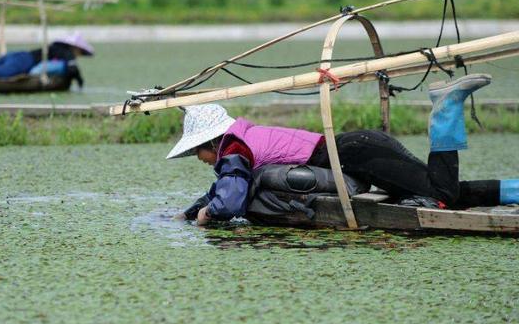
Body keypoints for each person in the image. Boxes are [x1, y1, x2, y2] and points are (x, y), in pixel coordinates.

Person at [168, 73, 519, 226]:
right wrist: (188, 212)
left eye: (199, 151)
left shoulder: (233, 148)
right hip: (360, 148)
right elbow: (224, 187)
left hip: (358, 154)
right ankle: (514, 189)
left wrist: (207, 217)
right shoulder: (240, 140)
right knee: (443, 192)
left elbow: (229, 199)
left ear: (211, 141)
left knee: (440, 194)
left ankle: (446, 110)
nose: (200, 159)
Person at [0, 32, 94, 88]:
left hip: (17, 56)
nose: (79, 55)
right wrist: (79, 81)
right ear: (76, 48)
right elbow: (72, 68)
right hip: (24, 62)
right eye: (80, 52)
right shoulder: (66, 52)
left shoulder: (55, 47)